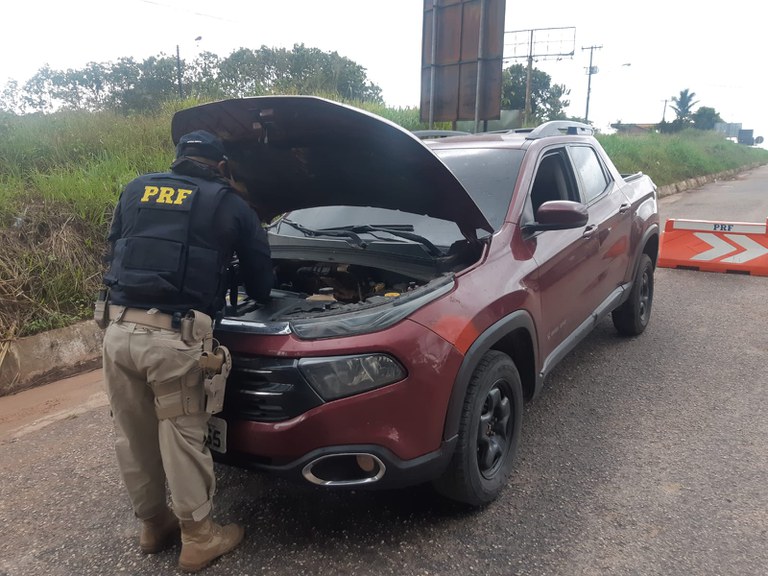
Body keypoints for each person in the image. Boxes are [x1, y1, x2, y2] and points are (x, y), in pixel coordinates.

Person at [100, 130, 272, 572]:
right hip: (174, 340)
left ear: (177, 160)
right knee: (182, 435)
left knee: (133, 435)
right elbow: (261, 283)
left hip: (117, 331)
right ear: (220, 165)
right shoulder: (229, 204)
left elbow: (115, 248)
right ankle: (199, 537)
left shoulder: (137, 189)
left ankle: (153, 525)